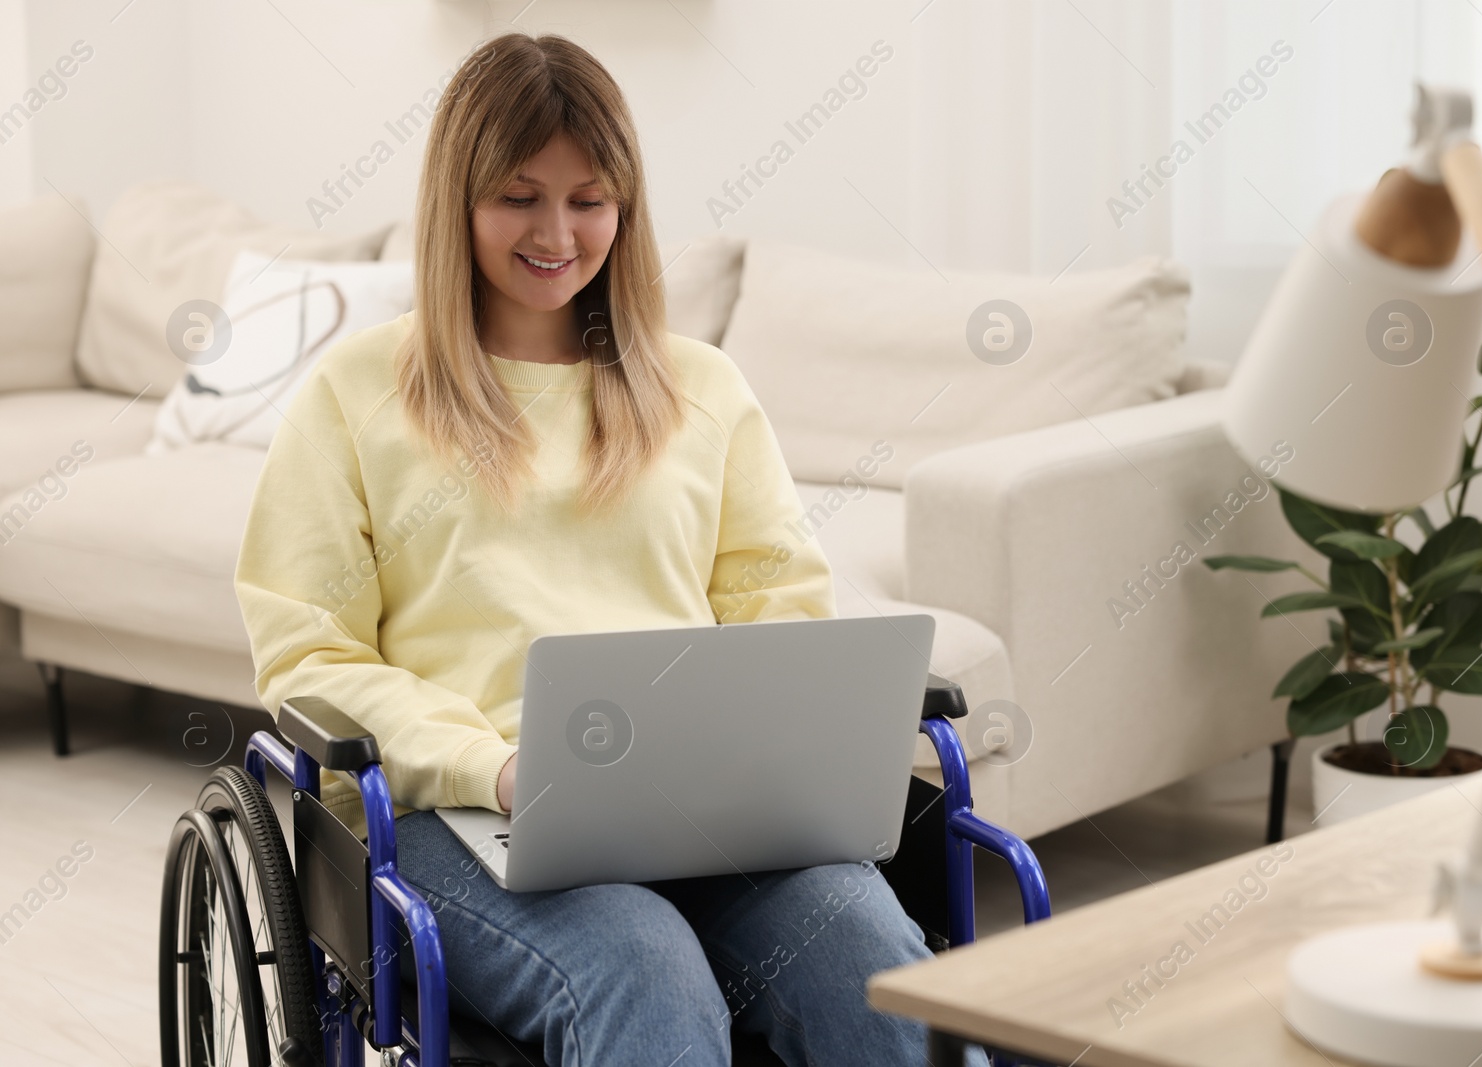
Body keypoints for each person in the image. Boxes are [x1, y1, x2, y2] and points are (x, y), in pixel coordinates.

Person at [234, 30, 985, 1067]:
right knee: (641, 966)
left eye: (588, 198)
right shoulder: (355, 393)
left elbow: (775, 611)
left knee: (868, 955)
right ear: (458, 199)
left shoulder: (702, 389)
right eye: (518, 195)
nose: (556, 231)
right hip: (456, 808)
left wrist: (770, 758)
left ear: (624, 205)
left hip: (703, 807)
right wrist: (493, 765)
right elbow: (310, 653)